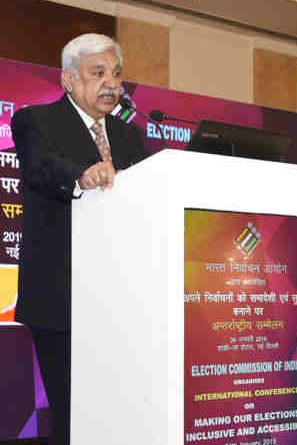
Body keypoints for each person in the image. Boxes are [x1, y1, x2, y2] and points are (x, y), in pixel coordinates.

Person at [12, 33, 149, 445]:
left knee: (118, 413)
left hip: (122, 302)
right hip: (61, 298)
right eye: (98, 73)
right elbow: (42, 166)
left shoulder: (129, 138)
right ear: (69, 79)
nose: (111, 83)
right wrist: (82, 175)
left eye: (117, 74)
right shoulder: (35, 120)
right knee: (75, 417)